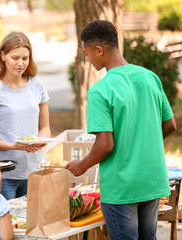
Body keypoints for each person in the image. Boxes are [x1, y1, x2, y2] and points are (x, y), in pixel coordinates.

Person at [65, 20, 177, 240]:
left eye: (87, 54)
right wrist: (143, 142)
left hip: (122, 187)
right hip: (152, 180)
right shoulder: (150, 77)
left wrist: (82, 165)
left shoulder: (101, 90)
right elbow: (170, 124)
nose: (87, 60)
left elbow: (105, 145)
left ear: (99, 50)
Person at [0, 31, 51, 200]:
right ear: (3, 56)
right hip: (5, 172)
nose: (20, 63)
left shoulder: (37, 85)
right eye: (15, 58)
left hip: (35, 170)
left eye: (25, 58)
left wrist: (40, 142)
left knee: (32, 224)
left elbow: (45, 127)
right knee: (7, 224)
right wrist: (15, 146)